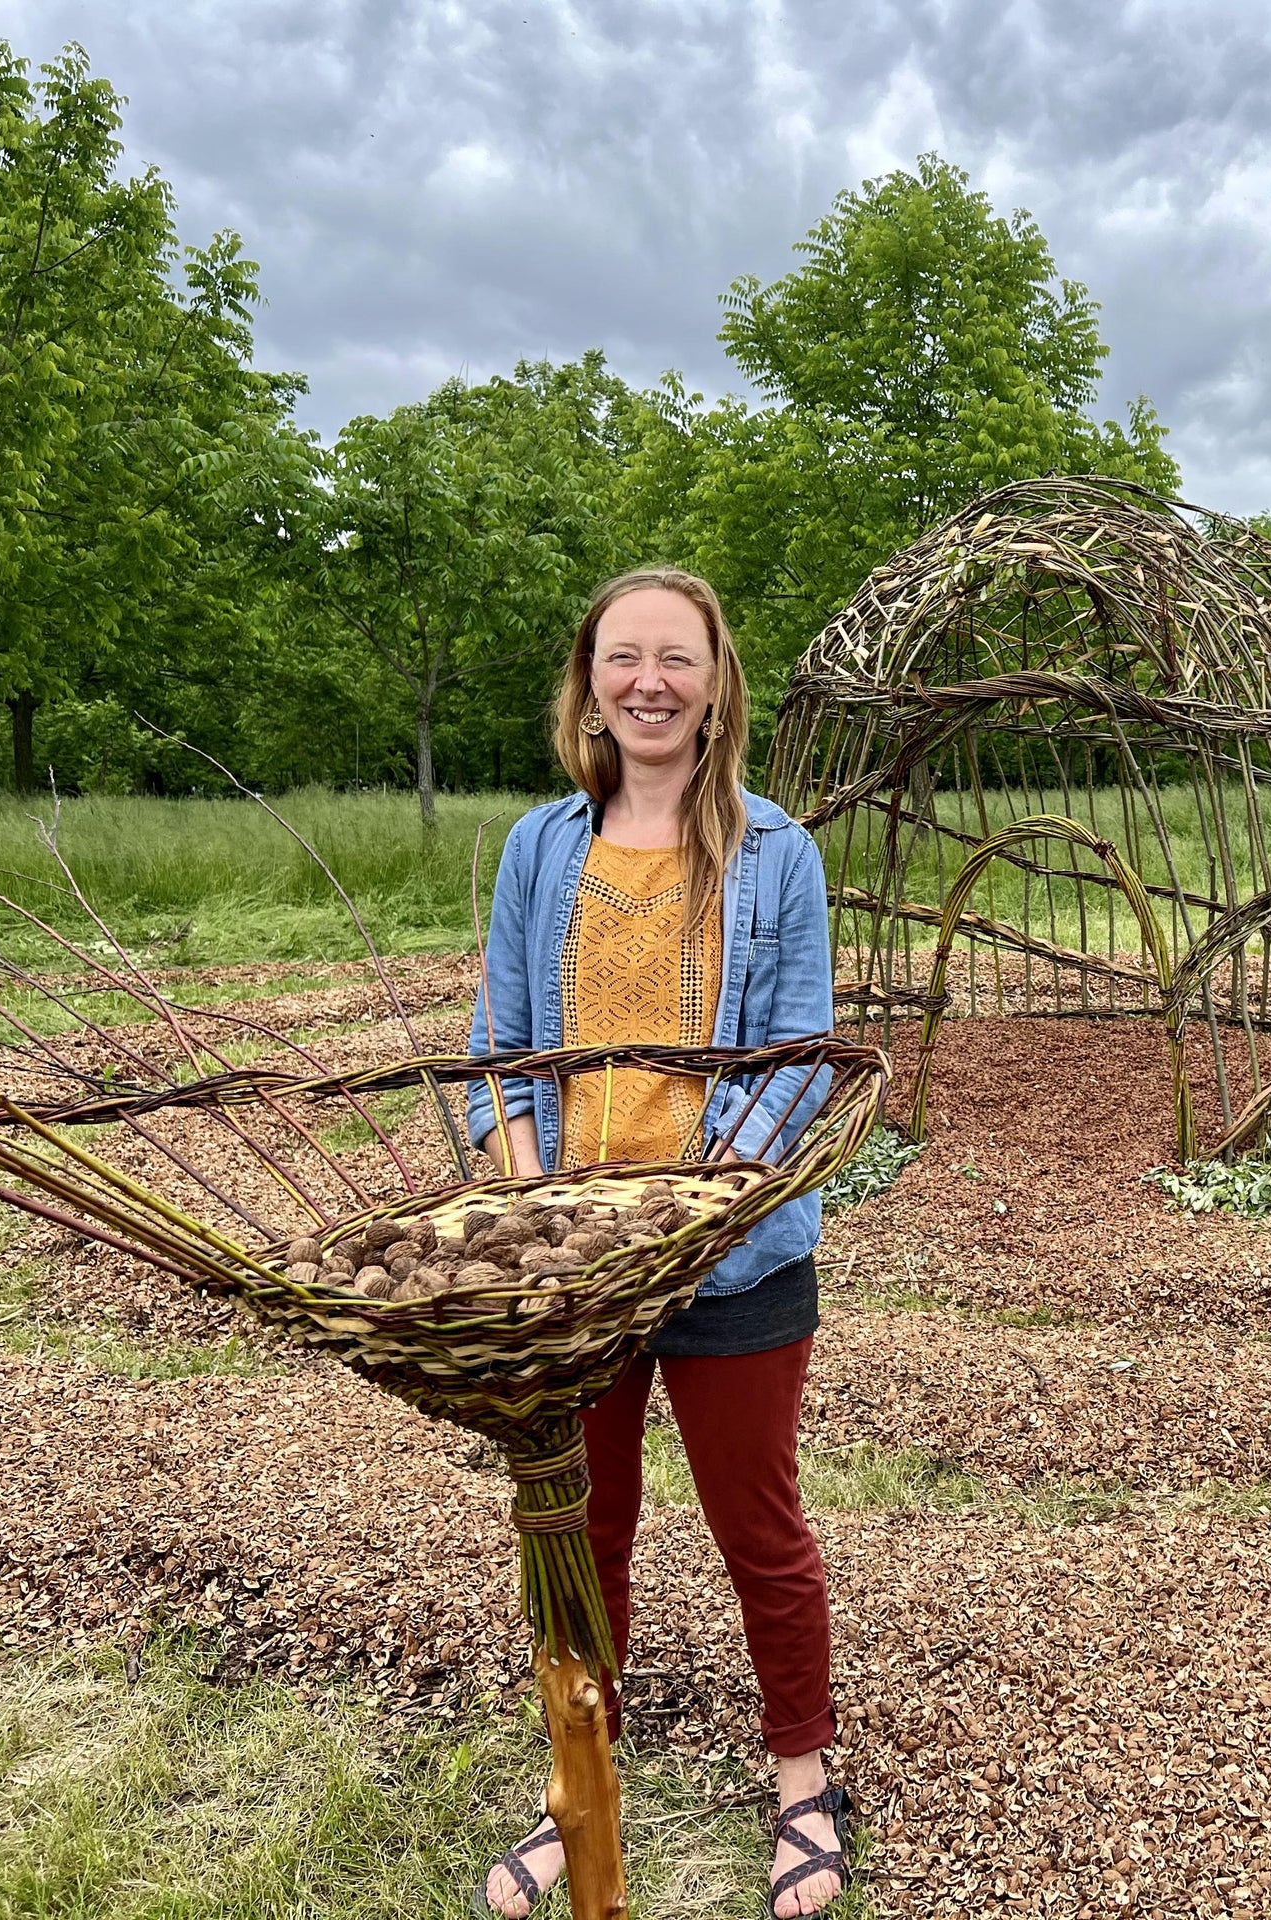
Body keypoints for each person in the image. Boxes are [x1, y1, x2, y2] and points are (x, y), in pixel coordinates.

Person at [466, 567, 848, 1917]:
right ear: (591, 681)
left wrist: (680, 1216)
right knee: (588, 1526)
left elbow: (795, 1062)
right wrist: (533, 1214)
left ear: (714, 682)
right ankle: (584, 1785)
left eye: (674, 658)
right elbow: (503, 1056)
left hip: (732, 1252)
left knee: (759, 1523)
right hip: (576, 1261)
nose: (648, 682)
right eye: (623, 657)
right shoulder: (537, 849)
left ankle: (803, 1777)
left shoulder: (777, 853)